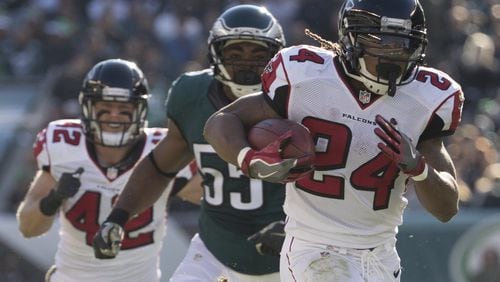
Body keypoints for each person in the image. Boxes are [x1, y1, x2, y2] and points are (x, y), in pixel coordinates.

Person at [204, 0, 465, 281]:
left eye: (403, 44)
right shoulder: (304, 77)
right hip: (313, 247)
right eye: (381, 42)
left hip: (380, 256)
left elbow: (447, 208)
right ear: (352, 39)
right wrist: (249, 159)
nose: (394, 54)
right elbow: (221, 121)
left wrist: (420, 169)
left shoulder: (428, 99)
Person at [92, 5, 287, 281]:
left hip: (288, 253)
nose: (246, 62)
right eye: (235, 52)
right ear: (215, 54)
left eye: (258, 53)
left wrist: (297, 228)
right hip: (215, 248)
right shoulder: (191, 95)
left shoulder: (298, 99)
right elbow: (161, 166)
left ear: (274, 56)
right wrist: (119, 216)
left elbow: (335, 181)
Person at [16, 58, 200, 282]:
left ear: (140, 111)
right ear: (88, 107)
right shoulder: (65, 147)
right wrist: (53, 200)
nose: (114, 115)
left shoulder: (161, 151)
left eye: (123, 108)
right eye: (105, 107)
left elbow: (217, 199)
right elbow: (28, 228)